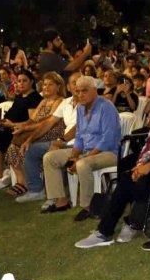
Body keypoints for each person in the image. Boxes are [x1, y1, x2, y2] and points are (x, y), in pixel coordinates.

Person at [75, 85, 150, 248]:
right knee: (127, 179)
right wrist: (140, 166)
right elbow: (147, 149)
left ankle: (133, 222)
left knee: (140, 183)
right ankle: (105, 231)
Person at [41, 75, 121, 221]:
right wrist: (73, 156)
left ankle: (87, 207)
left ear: (94, 90)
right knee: (50, 157)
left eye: (84, 91)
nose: (80, 95)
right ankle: (61, 201)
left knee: (82, 164)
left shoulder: (106, 107)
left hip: (109, 152)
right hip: (86, 151)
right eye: (77, 91)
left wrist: (84, 157)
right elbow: (79, 137)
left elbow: (107, 140)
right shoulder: (80, 109)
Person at [16, 72, 81, 203]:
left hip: (78, 144)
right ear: (68, 87)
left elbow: (80, 128)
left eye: (81, 82)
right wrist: (30, 139)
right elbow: (49, 122)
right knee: (31, 149)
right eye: (75, 83)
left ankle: (55, 197)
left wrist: (59, 142)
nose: (79, 86)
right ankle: (36, 190)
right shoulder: (67, 102)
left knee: (51, 155)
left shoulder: (88, 103)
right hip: (64, 141)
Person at [3, 72, 66, 196]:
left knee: (21, 141)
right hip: (39, 129)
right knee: (14, 143)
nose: (46, 87)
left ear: (58, 86)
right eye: (44, 85)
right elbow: (33, 119)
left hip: (52, 132)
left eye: (50, 85)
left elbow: (48, 122)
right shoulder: (44, 101)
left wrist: (25, 128)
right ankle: (23, 181)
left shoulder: (60, 101)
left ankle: (28, 182)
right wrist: (22, 126)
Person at [0, 69, 43, 191]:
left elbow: (32, 121)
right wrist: (4, 122)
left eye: (24, 81)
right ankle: (4, 172)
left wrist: (12, 124)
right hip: (9, 128)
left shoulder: (34, 98)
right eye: (19, 81)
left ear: (31, 81)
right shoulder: (20, 97)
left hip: (21, 131)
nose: (21, 84)